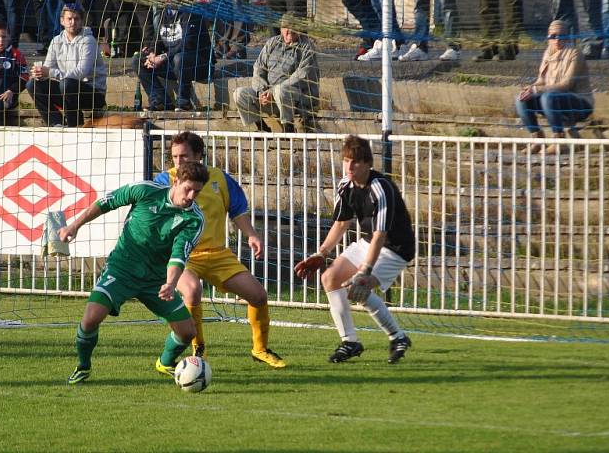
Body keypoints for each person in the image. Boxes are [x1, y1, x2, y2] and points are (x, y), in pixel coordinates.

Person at [60, 161, 209, 384]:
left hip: (156, 280)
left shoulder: (194, 219)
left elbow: (179, 255)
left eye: (197, 191)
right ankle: (83, 366)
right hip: (122, 269)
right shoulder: (146, 191)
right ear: (175, 181)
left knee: (187, 332)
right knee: (91, 318)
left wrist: (170, 283)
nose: (191, 195)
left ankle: (165, 362)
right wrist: (74, 225)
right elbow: (106, 202)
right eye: (187, 188)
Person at [154, 131, 286, 368]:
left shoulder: (220, 179)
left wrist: (252, 235)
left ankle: (260, 349)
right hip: (182, 255)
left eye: (184, 156)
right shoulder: (166, 180)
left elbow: (237, 210)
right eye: (174, 157)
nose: (178, 162)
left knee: (258, 295)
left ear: (199, 155)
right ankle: (198, 348)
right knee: (192, 290)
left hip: (217, 254)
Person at [295, 135, 415, 364]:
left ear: (368, 164)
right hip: (370, 242)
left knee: (357, 288)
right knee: (330, 277)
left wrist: (365, 270)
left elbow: (382, 234)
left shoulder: (381, 188)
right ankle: (350, 341)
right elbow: (341, 223)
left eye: (356, 162)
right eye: (346, 160)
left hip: (396, 248)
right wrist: (322, 253)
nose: (350, 166)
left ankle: (398, 337)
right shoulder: (345, 186)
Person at [516, 19, 593, 154]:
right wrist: (530, 88)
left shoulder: (575, 53)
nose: (556, 40)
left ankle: (559, 141)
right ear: (548, 37)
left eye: (561, 36)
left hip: (580, 103)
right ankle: (537, 139)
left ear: (567, 37)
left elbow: (566, 84)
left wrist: (536, 89)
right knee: (520, 98)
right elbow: (541, 81)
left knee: (548, 97)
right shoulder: (548, 52)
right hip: (553, 100)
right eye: (553, 36)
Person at [233, 13, 319, 133]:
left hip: (297, 98)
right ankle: (262, 128)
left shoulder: (306, 47)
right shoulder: (272, 43)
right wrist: (261, 91)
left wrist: (272, 91)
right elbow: (259, 67)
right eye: (286, 27)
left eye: (293, 27)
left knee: (281, 90)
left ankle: (288, 129)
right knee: (240, 93)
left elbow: (301, 75)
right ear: (281, 29)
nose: (290, 30)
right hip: (268, 96)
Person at [26, 3, 107, 127]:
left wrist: (50, 72)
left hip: (92, 94)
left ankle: (74, 126)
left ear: (81, 21)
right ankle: (56, 123)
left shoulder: (89, 41)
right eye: (69, 18)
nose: (73, 22)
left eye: (76, 19)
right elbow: (48, 68)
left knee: (67, 83)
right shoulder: (56, 41)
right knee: (33, 84)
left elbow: (81, 73)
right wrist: (40, 74)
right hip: (67, 90)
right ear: (62, 21)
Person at [137, 0, 213, 112]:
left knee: (179, 59)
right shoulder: (164, 13)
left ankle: (183, 103)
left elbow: (187, 44)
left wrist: (163, 57)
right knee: (138, 60)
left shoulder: (190, 13)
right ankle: (160, 101)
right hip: (174, 64)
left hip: (200, 65)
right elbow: (160, 38)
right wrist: (152, 52)